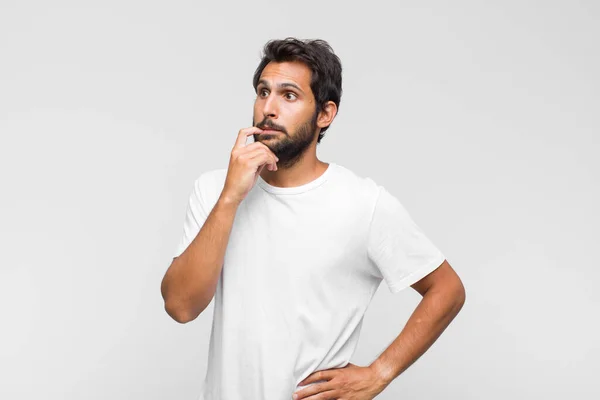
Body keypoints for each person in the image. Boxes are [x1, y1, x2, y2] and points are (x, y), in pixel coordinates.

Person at [161, 37, 466, 400]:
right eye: (263, 92)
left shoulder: (362, 203)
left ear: (325, 114)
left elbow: (447, 290)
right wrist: (230, 197)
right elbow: (180, 306)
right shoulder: (214, 189)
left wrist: (379, 373)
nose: (268, 109)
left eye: (289, 95)